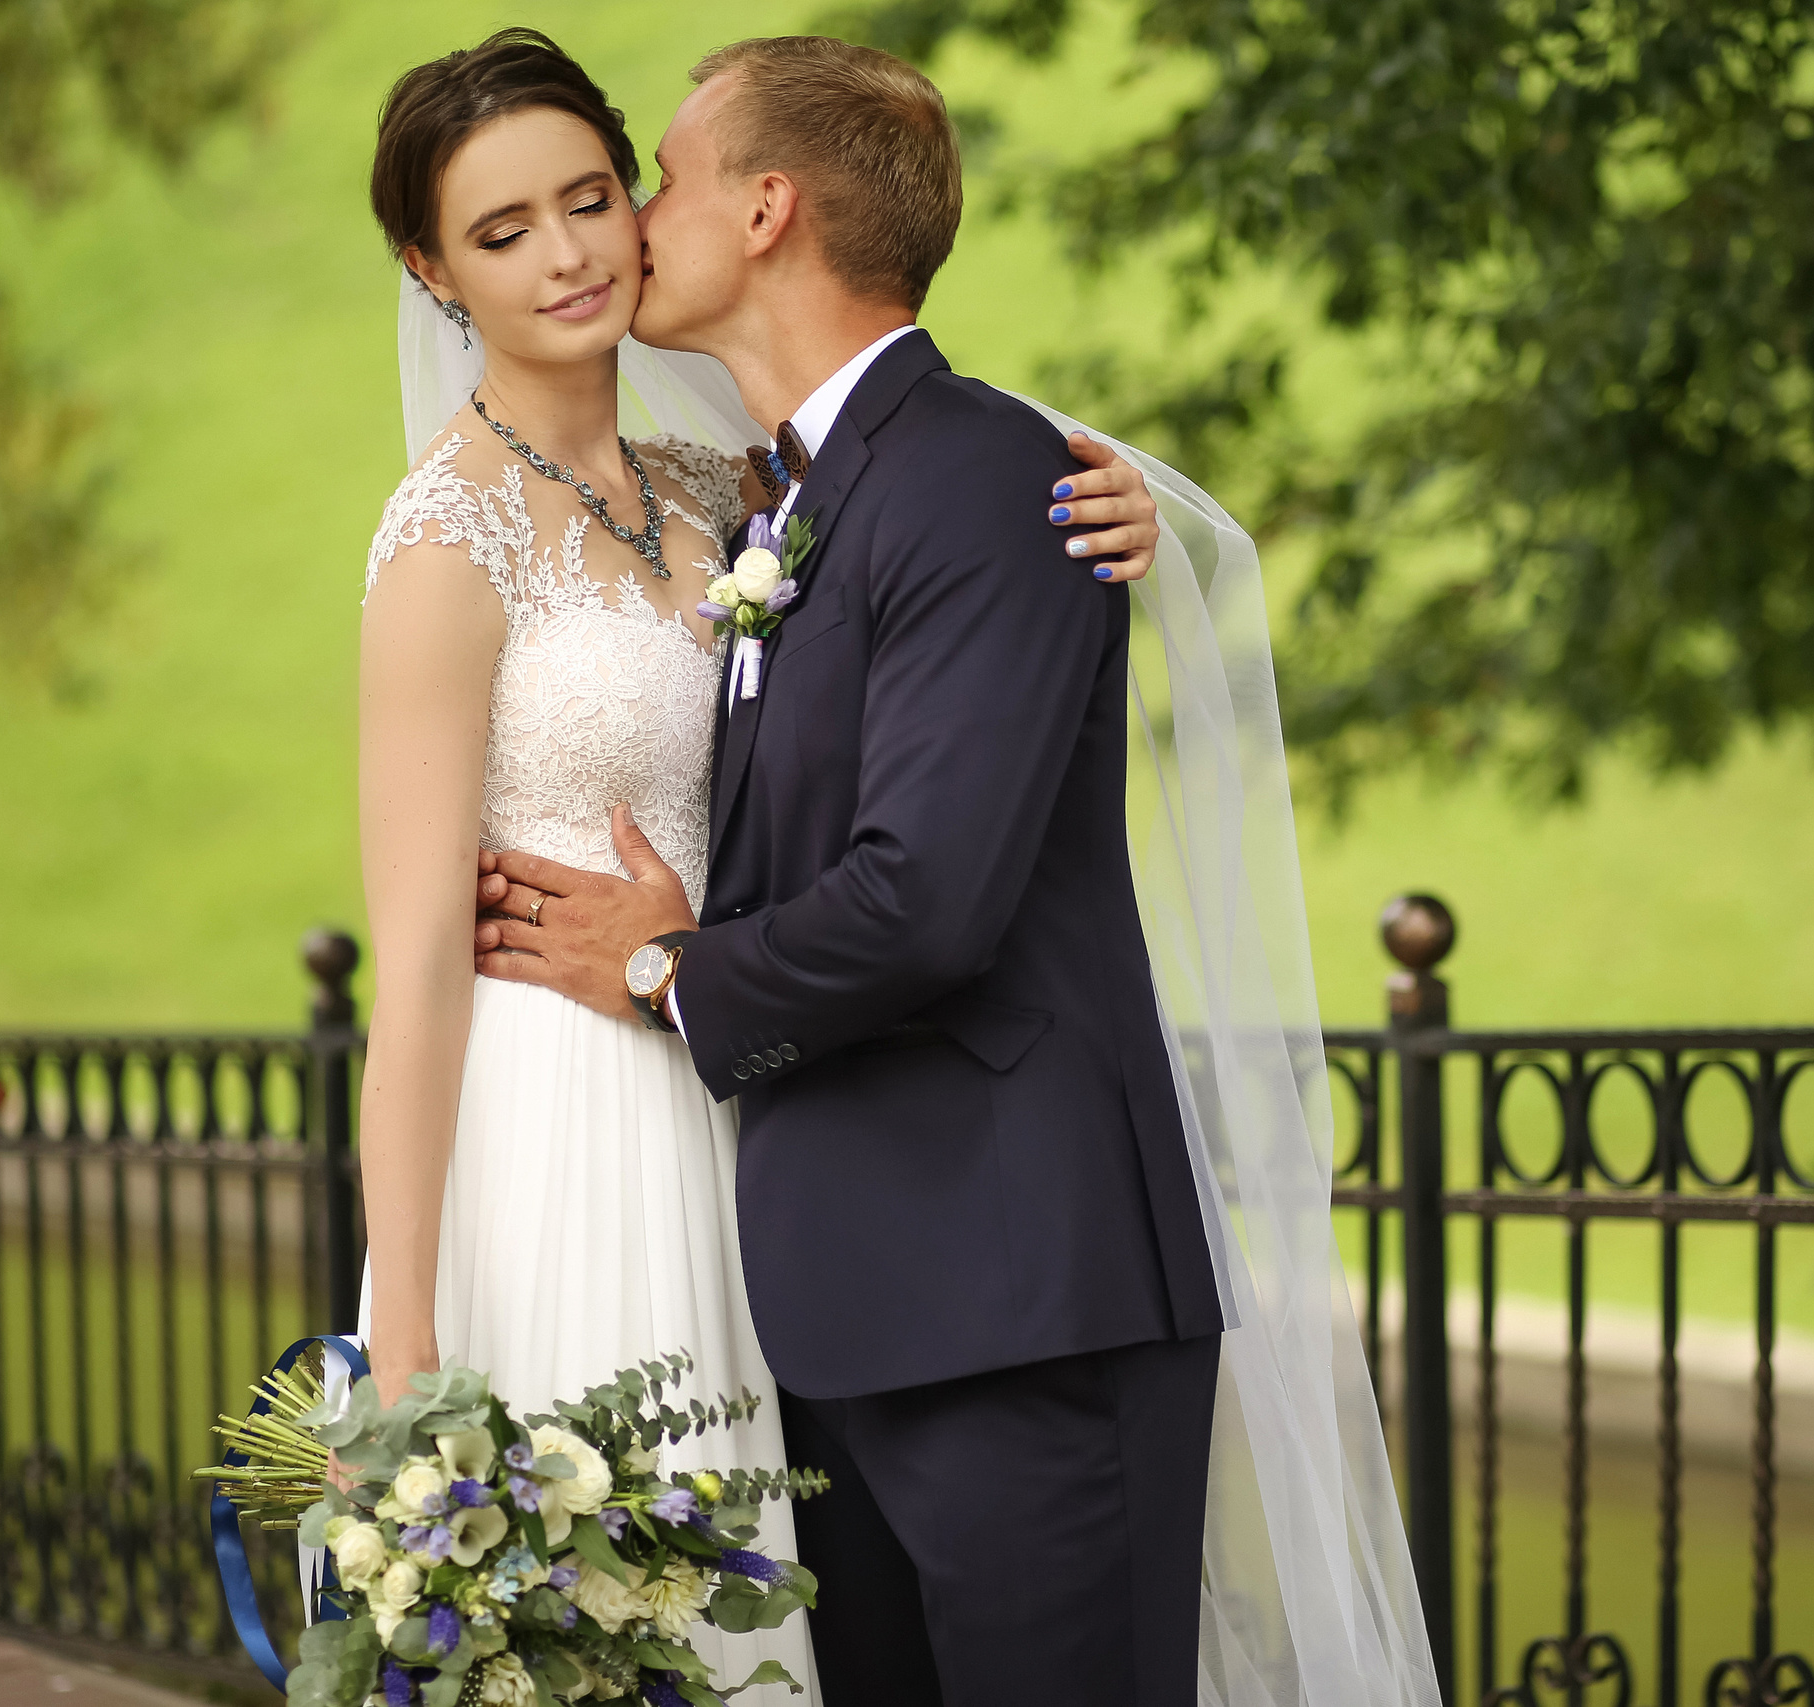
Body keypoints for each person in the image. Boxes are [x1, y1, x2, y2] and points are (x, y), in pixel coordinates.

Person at [351, 29, 1163, 1703]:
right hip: (560, 1124)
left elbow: (931, 493)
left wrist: (1116, 512)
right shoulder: (445, 545)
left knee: (765, 1629)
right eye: (506, 232)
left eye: (599, 194)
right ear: (432, 273)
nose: (580, 247)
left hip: (753, 1139)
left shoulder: (747, 498)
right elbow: (418, 962)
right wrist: (405, 1338)